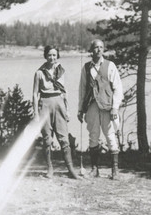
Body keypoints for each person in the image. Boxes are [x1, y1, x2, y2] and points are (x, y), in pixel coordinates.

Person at [33, 45, 81, 180]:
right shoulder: (39, 73)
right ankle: (49, 168)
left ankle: (71, 169)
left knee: (64, 139)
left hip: (59, 105)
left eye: (54, 55)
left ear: (57, 56)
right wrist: (36, 113)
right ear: (45, 56)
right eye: (49, 55)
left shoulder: (61, 71)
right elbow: (35, 94)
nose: (52, 58)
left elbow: (65, 92)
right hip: (45, 105)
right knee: (47, 139)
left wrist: (68, 111)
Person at [78, 39, 123, 180]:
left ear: (103, 50)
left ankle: (115, 170)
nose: (98, 50)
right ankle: (94, 169)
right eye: (96, 47)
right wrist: (80, 110)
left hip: (107, 106)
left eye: (101, 47)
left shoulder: (110, 66)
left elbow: (118, 89)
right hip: (92, 106)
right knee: (93, 135)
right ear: (91, 50)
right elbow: (82, 90)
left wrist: (115, 108)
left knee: (110, 135)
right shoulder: (86, 68)